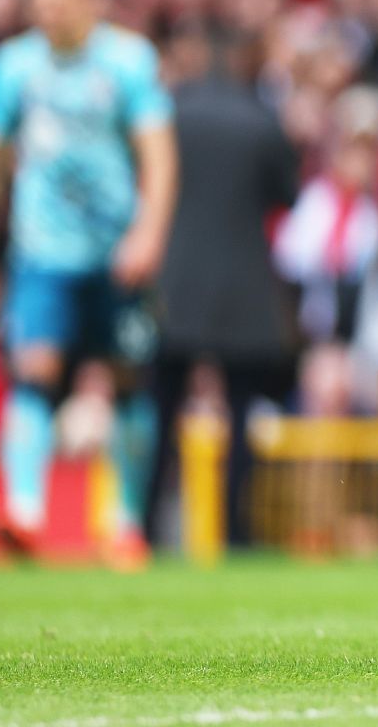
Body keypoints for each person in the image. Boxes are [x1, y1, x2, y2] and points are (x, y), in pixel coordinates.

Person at [0, 0, 177, 566]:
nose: (48, 12)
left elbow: (159, 155)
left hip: (117, 251)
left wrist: (148, 233)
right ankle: (24, 511)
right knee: (34, 368)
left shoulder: (127, 60)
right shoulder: (15, 66)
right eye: (38, 2)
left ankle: (124, 523)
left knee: (124, 379)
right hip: (43, 250)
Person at [153, 27, 300, 546]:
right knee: (241, 414)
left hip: (177, 281)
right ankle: (236, 532)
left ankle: (145, 528)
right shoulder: (259, 118)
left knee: (161, 407)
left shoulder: (170, 112)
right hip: (244, 283)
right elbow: (289, 193)